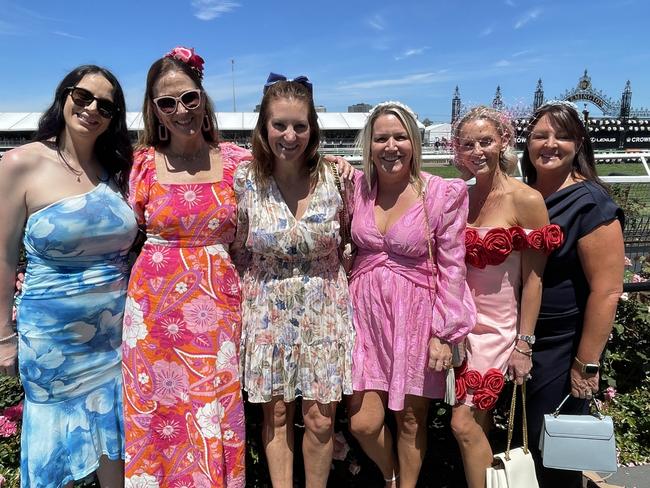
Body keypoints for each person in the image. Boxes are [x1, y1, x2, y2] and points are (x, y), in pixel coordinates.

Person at [0, 65, 136, 487]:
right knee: (54, 462)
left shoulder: (116, 170)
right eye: (83, 97)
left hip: (115, 340)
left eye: (106, 106)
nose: (92, 109)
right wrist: (3, 338)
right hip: (51, 343)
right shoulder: (19, 163)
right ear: (64, 96)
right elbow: (3, 257)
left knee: (117, 454)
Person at [122, 47, 249, 487]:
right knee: (159, 408)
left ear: (203, 98)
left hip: (218, 308)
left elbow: (294, 169)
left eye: (189, 98)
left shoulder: (237, 162)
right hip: (153, 312)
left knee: (214, 406)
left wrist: (342, 171)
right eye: (167, 102)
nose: (181, 111)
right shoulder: (140, 166)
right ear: (154, 110)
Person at [232, 74, 356, 488]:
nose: (290, 135)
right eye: (279, 125)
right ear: (263, 128)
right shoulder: (245, 180)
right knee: (277, 414)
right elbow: (236, 246)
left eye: (300, 126)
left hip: (325, 309)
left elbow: (354, 240)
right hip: (266, 309)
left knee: (320, 417)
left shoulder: (337, 179)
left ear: (313, 128)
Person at [346, 101, 476, 488]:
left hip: (416, 317)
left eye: (400, 137)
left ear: (414, 142)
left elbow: (453, 267)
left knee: (411, 418)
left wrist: (444, 332)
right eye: (381, 138)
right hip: (364, 317)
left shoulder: (440, 194)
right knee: (363, 422)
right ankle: (390, 475)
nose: (391, 146)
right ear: (368, 145)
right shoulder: (357, 189)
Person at [449, 106, 561, 488]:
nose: (477, 150)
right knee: (474, 422)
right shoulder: (459, 197)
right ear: (457, 150)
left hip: (498, 331)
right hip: (460, 327)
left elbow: (534, 281)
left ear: (503, 142)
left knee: (462, 423)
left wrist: (523, 345)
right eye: (468, 144)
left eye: (486, 141)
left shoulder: (525, 199)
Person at [521, 101, 624, 487]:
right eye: (540, 136)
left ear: (577, 142)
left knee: (554, 453)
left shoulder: (590, 203)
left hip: (563, 345)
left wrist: (587, 365)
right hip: (521, 337)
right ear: (527, 144)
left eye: (562, 136)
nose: (550, 144)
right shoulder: (524, 194)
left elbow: (607, 290)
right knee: (524, 444)